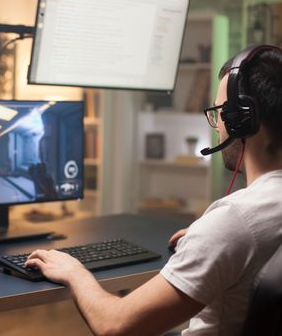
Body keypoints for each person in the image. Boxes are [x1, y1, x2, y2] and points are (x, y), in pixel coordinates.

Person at [25, 45, 282, 336]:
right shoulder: (238, 225)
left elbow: (115, 326)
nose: (217, 127)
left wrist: (74, 272)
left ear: (243, 120)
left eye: (221, 113)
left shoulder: (234, 222)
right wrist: (210, 239)